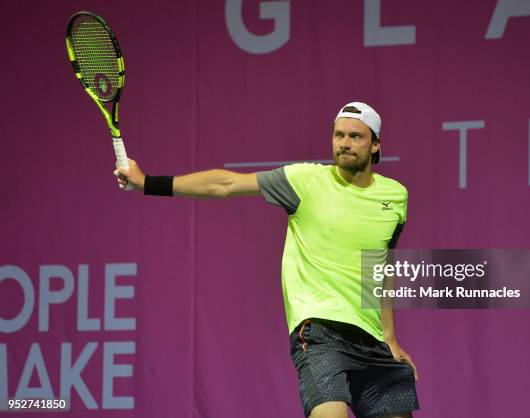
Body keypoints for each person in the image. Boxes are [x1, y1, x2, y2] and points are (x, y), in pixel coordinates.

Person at [115, 102, 419, 418]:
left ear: (375, 145)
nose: (344, 143)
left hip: (371, 340)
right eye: (338, 135)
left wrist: (390, 340)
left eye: (356, 136)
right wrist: (147, 182)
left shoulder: (396, 196)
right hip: (319, 332)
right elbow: (226, 185)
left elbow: (381, 268)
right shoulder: (304, 180)